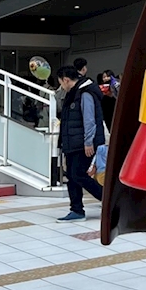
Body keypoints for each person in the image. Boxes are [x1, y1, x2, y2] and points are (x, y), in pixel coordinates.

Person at [56, 65, 106, 222]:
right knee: (72, 176)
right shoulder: (73, 94)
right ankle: (76, 210)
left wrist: (88, 142)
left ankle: (108, 199)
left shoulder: (85, 93)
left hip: (83, 144)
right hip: (73, 143)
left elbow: (89, 120)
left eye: (61, 83)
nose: (61, 87)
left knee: (78, 174)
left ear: (66, 80)